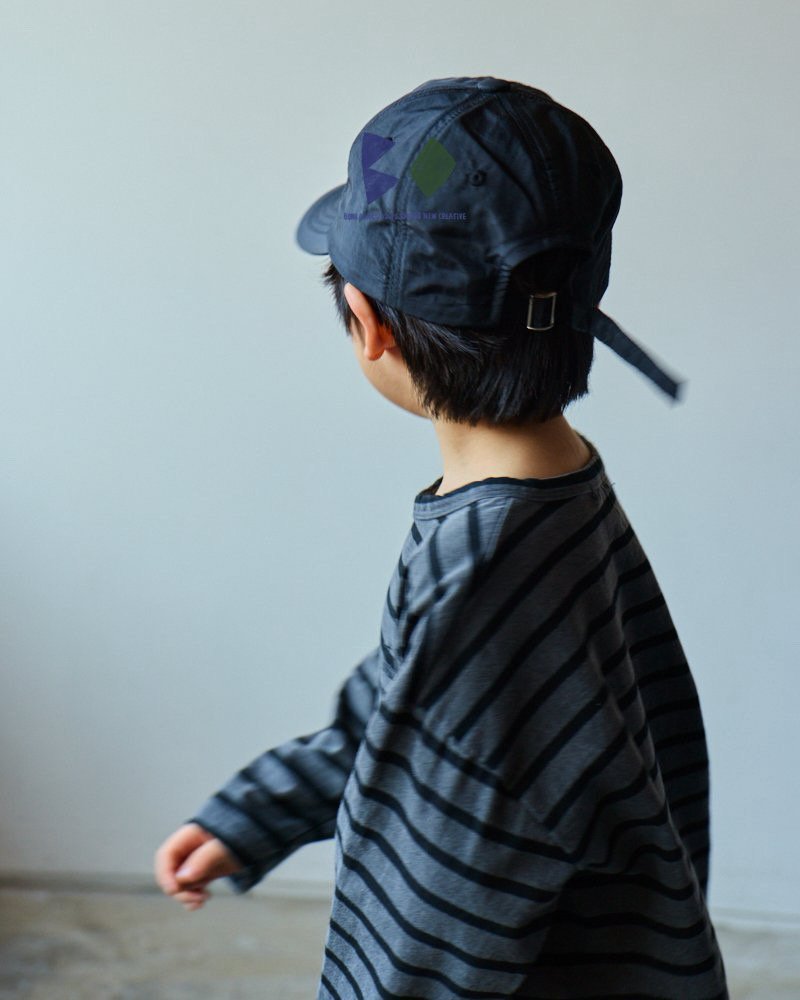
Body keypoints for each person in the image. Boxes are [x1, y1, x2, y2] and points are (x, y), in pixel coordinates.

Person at [154, 76, 729, 998]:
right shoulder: (551, 487)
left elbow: (424, 929)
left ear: (368, 325)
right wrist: (263, 811)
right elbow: (416, 691)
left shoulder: (486, 567)